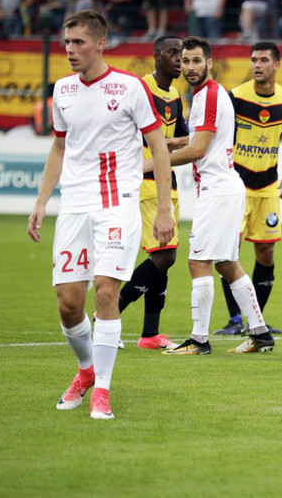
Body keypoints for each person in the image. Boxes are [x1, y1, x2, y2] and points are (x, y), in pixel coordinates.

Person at [27, 10, 175, 420]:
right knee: (68, 304)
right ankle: (87, 370)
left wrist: (164, 209)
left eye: (78, 42)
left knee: (107, 293)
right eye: (67, 42)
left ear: (101, 43)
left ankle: (102, 393)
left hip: (117, 203)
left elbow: (159, 148)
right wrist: (41, 201)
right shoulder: (62, 91)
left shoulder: (129, 88)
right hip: (74, 205)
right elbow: (59, 147)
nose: (70, 50)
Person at [160, 37, 277, 356]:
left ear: (209, 63)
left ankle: (199, 340)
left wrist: (153, 160)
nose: (190, 67)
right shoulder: (206, 96)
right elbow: (202, 139)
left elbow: (199, 149)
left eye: (197, 61)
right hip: (225, 187)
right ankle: (261, 334)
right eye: (185, 61)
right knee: (227, 264)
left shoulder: (209, 96)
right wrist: (174, 142)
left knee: (198, 261)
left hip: (218, 190)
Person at [213, 42, 282, 336]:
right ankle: (235, 319)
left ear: (277, 65)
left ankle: (256, 319)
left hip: (268, 187)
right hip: (236, 186)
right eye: (253, 60)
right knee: (229, 251)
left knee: (266, 253)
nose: (257, 65)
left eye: (263, 60)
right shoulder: (234, 97)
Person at [112, 35, 187, 351]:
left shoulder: (175, 95)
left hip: (166, 182)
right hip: (143, 183)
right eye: (173, 53)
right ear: (156, 56)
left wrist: (174, 144)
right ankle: (108, 313)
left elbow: (182, 136)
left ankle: (149, 334)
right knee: (164, 255)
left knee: (163, 257)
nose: (179, 59)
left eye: (181, 54)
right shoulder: (139, 88)